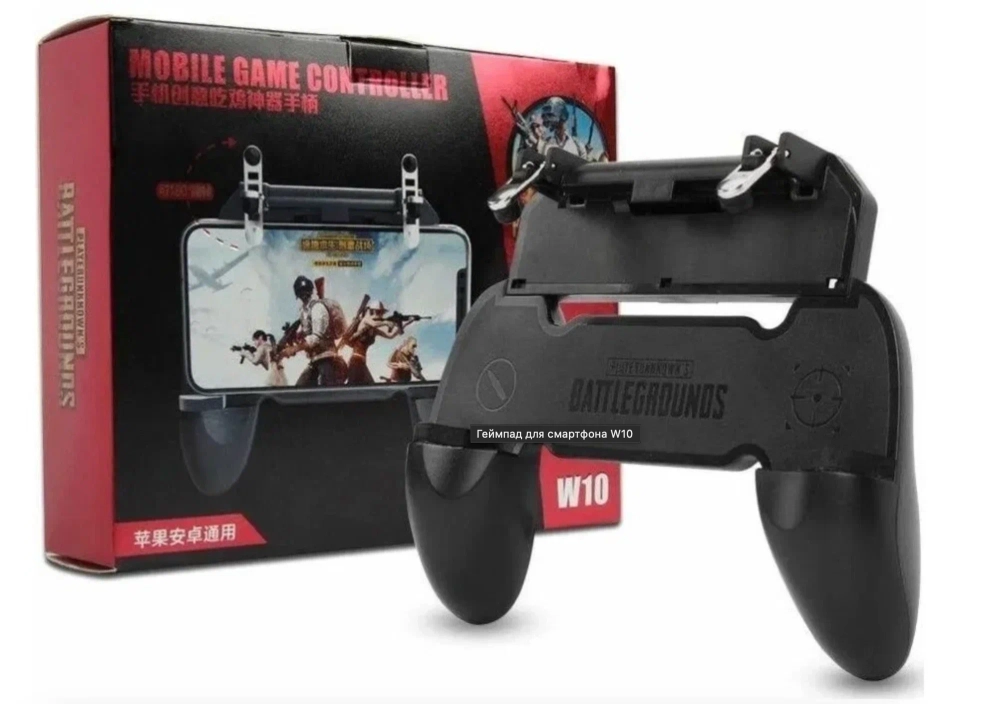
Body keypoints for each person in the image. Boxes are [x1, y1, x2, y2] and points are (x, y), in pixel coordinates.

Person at [290, 275, 348, 386]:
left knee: (328, 393)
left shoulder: (318, 307)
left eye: (305, 292)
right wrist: (299, 336)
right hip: (315, 360)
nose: (303, 296)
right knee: (299, 389)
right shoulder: (304, 311)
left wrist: (294, 349)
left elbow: (316, 337)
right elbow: (308, 331)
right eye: (301, 293)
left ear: (310, 292)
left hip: (328, 359)